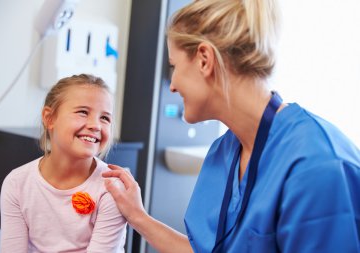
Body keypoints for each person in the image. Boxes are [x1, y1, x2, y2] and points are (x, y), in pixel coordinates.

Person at [102, 0, 360, 252]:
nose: (173, 84)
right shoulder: (223, 153)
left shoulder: (319, 165)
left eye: (174, 67)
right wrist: (138, 217)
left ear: (204, 59)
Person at [0, 74, 127, 252]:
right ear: (49, 118)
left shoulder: (111, 188)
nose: (96, 125)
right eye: (83, 112)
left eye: (105, 118)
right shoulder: (17, 183)